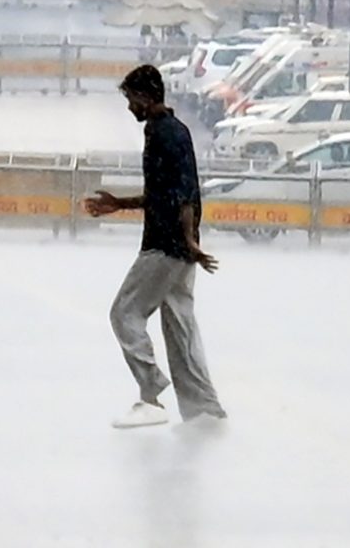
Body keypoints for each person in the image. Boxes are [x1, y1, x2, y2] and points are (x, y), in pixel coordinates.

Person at [82, 63, 226, 429]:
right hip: (177, 244)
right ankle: (204, 408)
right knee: (180, 327)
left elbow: (185, 193)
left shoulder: (164, 134)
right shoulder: (171, 131)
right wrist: (119, 204)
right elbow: (161, 194)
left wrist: (188, 239)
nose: (130, 107)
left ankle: (151, 394)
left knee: (124, 313)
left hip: (165, 244)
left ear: (146, 97)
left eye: (131, 99)